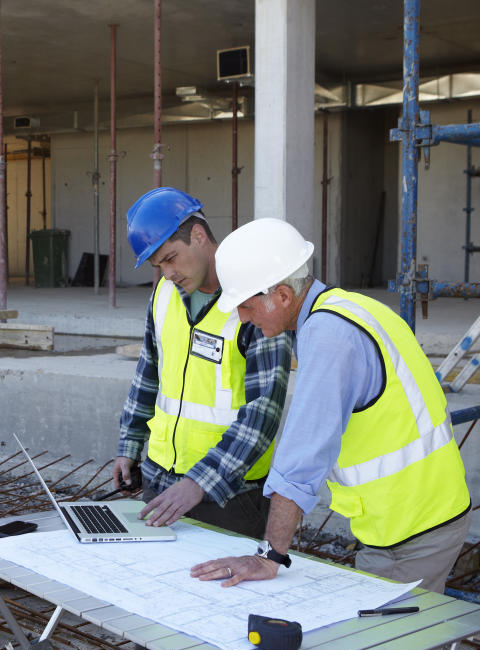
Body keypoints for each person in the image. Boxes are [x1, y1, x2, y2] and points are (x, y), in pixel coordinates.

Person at [190, 218, 471, 595]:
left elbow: (301, 457)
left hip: (411, 529)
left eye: (246, 305)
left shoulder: (328, 335)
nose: (243, 318)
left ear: (284, 296)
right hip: (423, 512)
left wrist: (269, 555)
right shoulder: (353, 307)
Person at [117, 189, 292, 632]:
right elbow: (148, 374)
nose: (167, 273)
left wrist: (200, 482)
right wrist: (130, 445)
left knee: (218, 621)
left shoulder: (255, 300)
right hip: (160, 481)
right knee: (154, 610)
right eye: (158, 266)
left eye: (171, 258)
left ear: (199, 236)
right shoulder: (163, 296)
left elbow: (262, 413)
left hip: (229, 498)